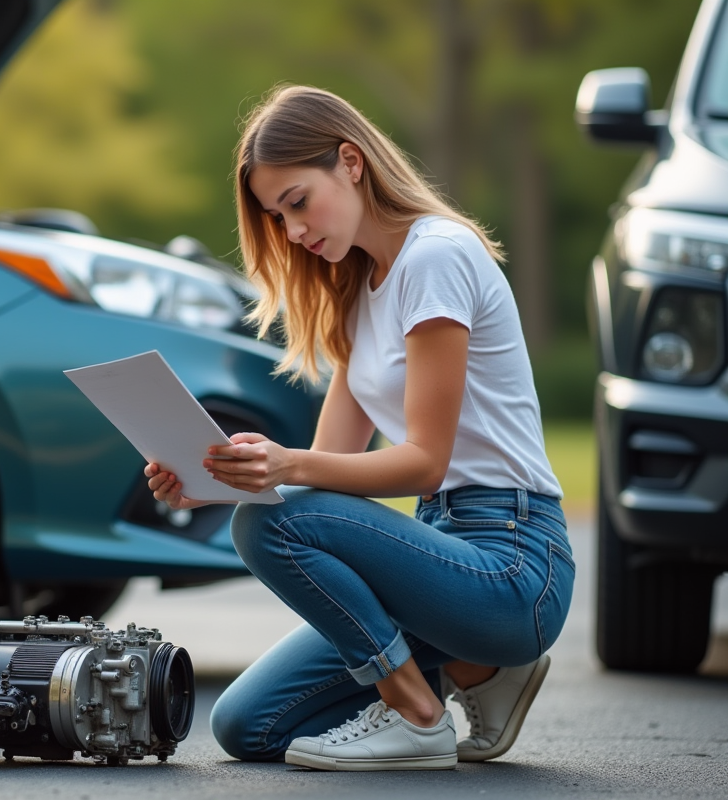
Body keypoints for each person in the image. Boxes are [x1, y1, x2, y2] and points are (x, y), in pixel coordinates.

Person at [144, 85, 574, 771]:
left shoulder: (435, 257)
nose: (292, 232)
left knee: (268, 523)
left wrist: (284, 473)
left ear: (350, 161)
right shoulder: (357, 293)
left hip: (513, 563)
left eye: (297, 203)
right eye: (275, 217)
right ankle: (479, 671)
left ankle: (417, 712)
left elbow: (423, 463)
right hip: (439, 560)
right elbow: (326, 476)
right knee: (245, 725)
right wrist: (217, 485)